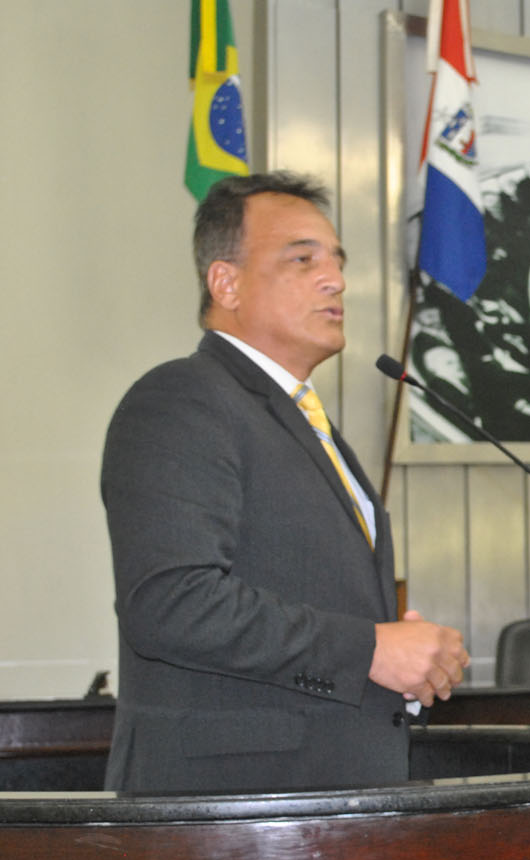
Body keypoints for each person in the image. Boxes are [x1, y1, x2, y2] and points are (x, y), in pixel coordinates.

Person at [100, 172, 470, 795]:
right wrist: (370, 650)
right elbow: (170, 602)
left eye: (336, 260)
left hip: (327, 802)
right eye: (303, 259)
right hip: (229, 812)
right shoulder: (181, 400)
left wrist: (405, 667)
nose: (336, 279)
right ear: (227, 281)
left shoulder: (309, 426)